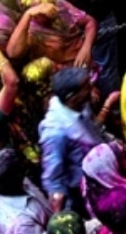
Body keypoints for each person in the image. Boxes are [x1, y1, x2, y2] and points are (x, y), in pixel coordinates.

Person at [38, 66, 111, 212]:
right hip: (85, 191)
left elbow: (93, 129)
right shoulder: (55, 132)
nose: (91, 88)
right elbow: (53, 177)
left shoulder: (80, 105)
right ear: (72, 97)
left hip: (102, 174)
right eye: (86, 87)